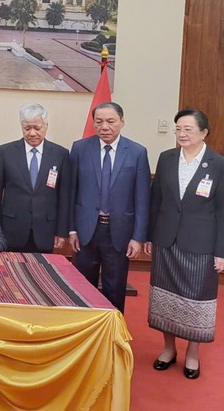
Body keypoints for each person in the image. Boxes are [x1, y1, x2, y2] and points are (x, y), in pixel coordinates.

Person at [145, 109, 224, 380]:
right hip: (166, 240)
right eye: (178, 129)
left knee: (197, 300)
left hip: (201, 244)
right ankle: (168, 348)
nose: (181, 134)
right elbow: (155, 201)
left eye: (188, 130)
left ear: (204, 133)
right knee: (165, 297)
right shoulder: (167, 159)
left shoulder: (218, 164)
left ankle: (192, 353)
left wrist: (222, 251)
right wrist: (150, 235)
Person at [69, 101, 150, 313]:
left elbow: (142, 198)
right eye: (99, 121)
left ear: (122, 122)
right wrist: (71, 229)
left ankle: (112, 338)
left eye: (111, 121)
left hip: (119, 232)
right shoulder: (79, 148)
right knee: (82, 289)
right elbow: (71, 192)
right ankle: (83, 336)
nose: (104, 126)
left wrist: (138, 237)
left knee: (115, 289)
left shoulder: (137, 152)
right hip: (86, 230)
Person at [0, 103, 70, 253]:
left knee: (42, 274)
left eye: (37, 128)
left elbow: (64, 196)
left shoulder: (61, 154)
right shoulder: (5, 152)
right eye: (27, 128)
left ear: (46, 126)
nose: (32, 133)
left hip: (45, 230)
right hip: (12, 229)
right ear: (21, 126)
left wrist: (61, 231)